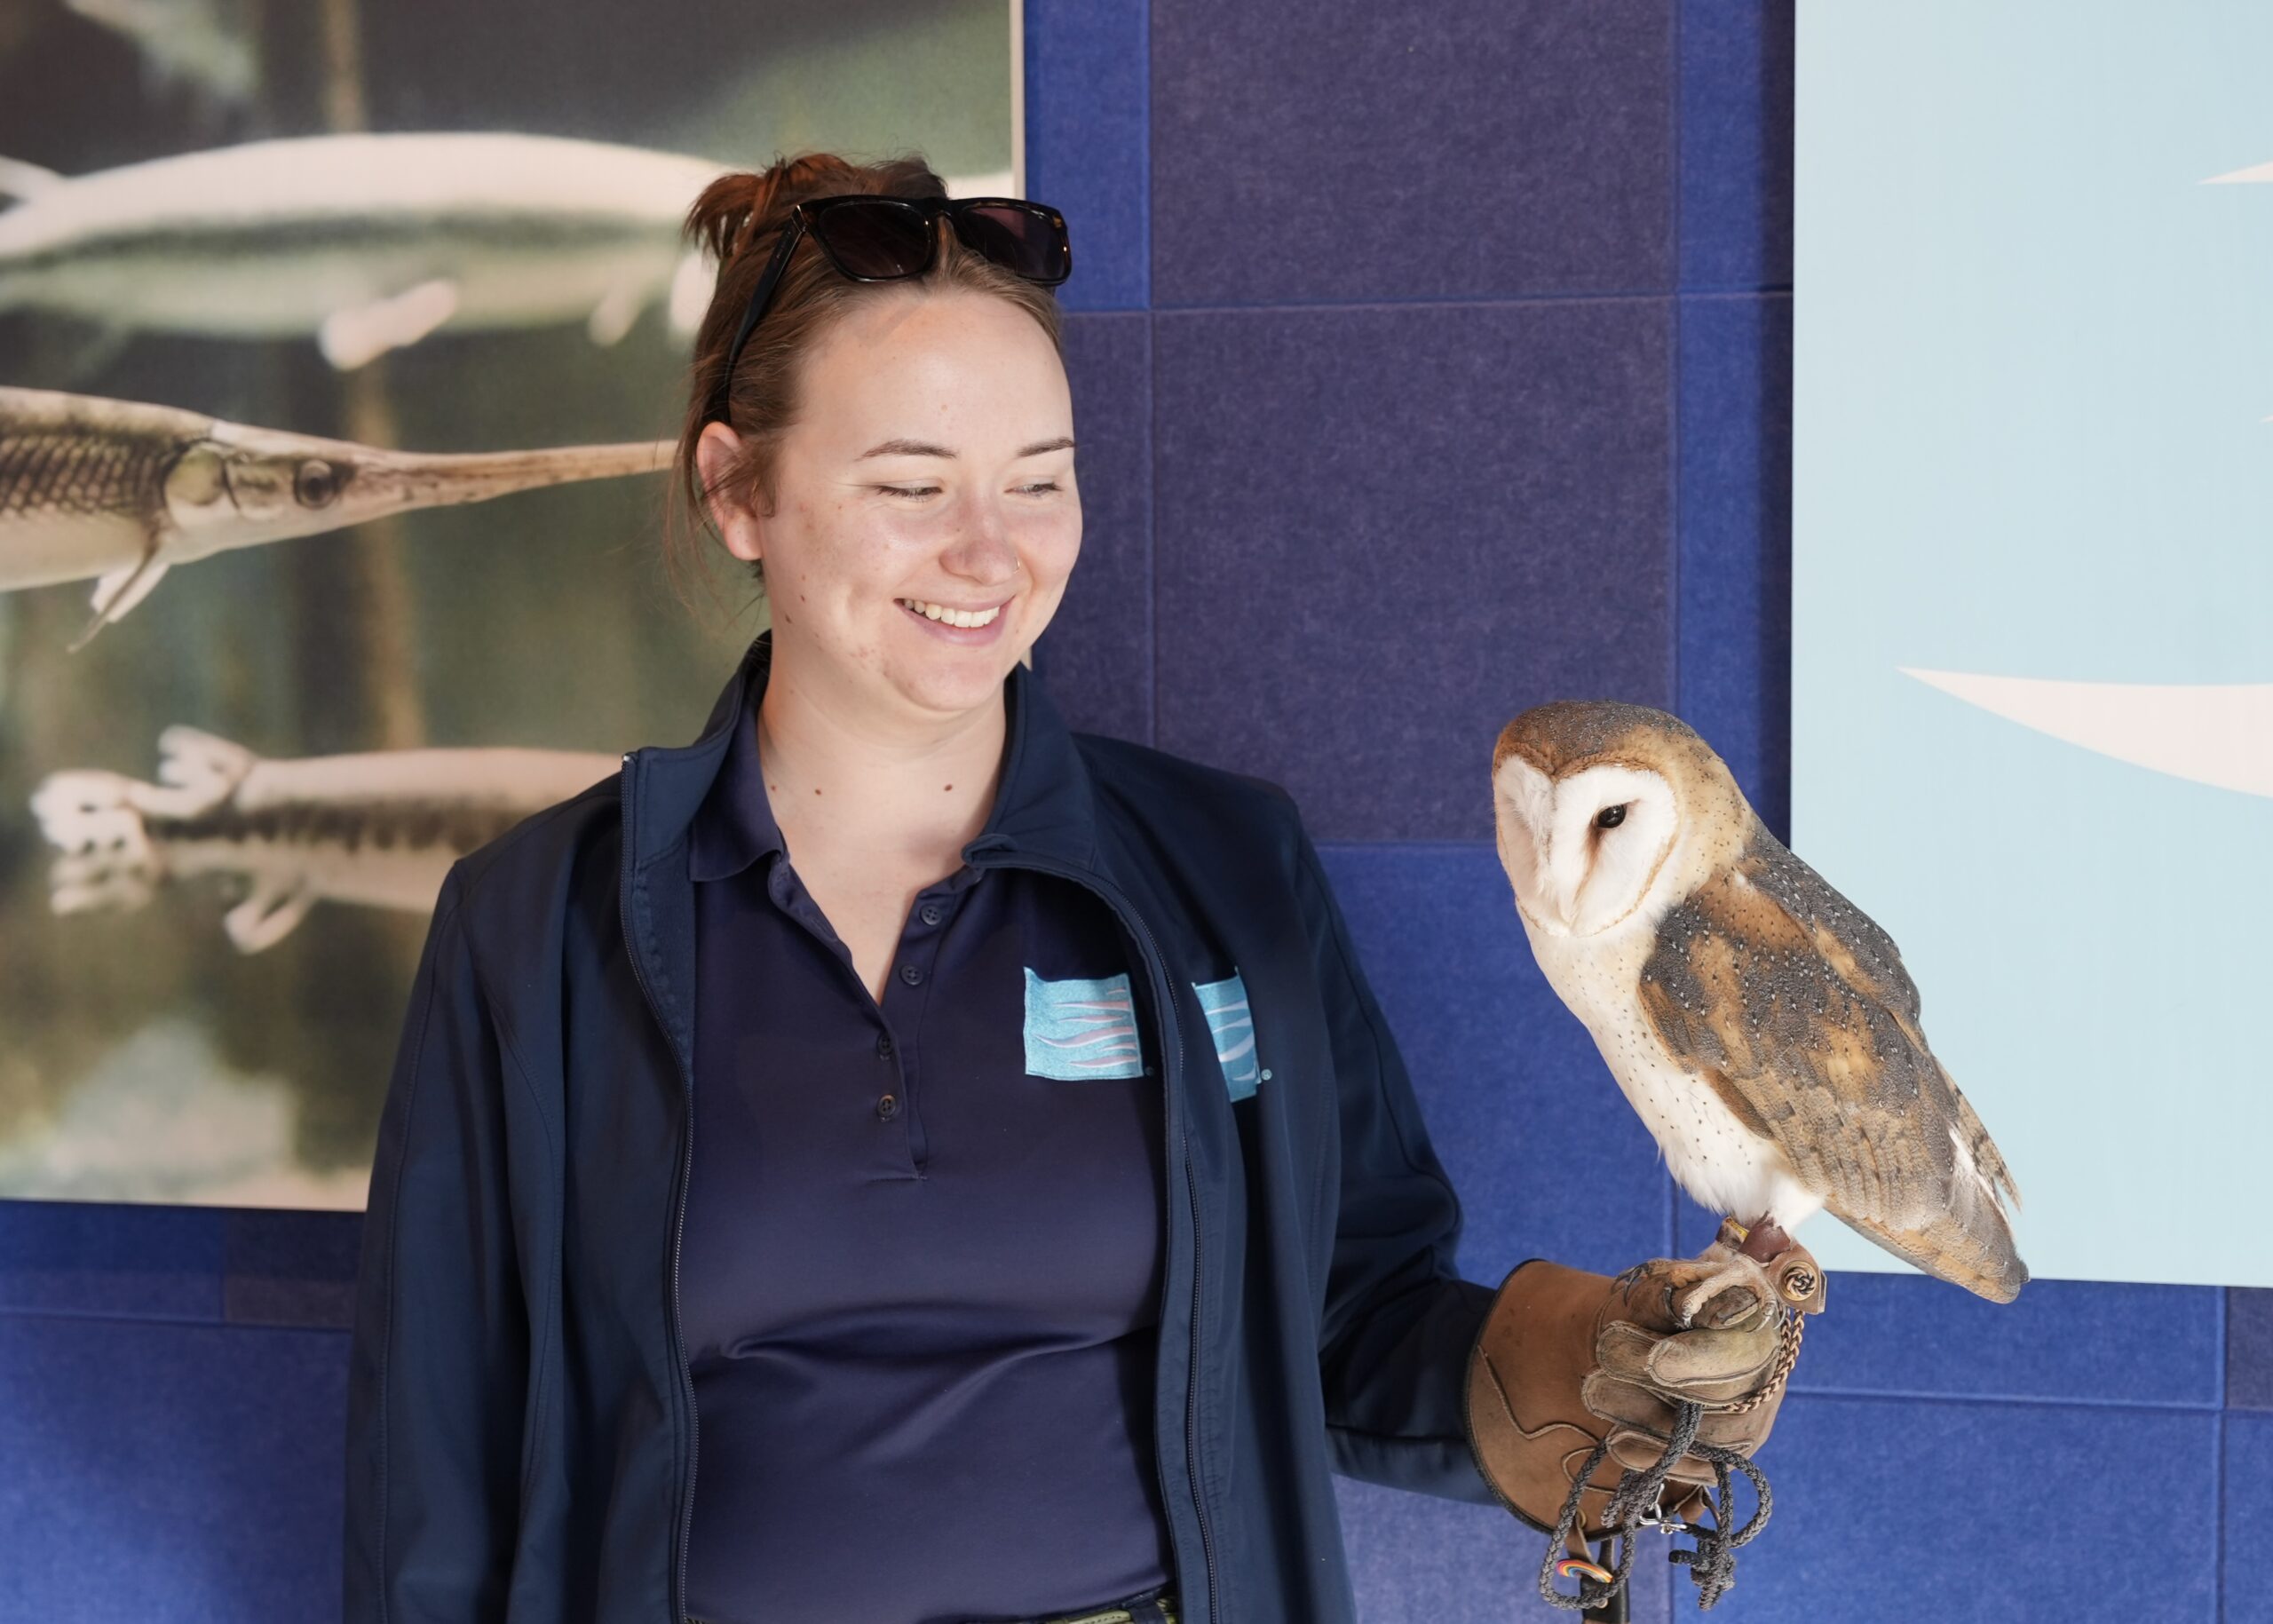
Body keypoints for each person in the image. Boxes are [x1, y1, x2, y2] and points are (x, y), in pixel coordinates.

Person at [341, 152, 1793, 1624]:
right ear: (737, 488)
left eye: (1041, 480)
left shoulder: (1227, 870)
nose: (992, 552)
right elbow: (434, 1475)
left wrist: (1597, 1360)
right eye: (911, 485)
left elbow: (1352, 1316)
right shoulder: (539, 922)